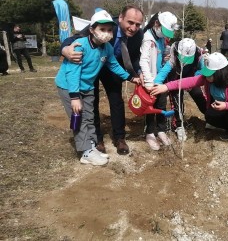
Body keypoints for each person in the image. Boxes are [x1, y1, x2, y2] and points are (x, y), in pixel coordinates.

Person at [55, 10, 137, 166]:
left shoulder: (107, 48)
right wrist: (74, 97)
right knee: (79, 118)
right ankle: (85, 152)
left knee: (90, 117)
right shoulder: (80, 46)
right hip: (69, 86)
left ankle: (92, 146)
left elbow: (114, 65)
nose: (106, 33)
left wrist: (131, 78)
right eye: (102, 29)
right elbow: (73, 72)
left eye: (109, 30)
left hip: (87, 86)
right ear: (92, 29)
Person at [150, 52, 228, 149]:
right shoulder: (208, 78)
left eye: (209, 74)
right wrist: (166, 87)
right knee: (210, 116)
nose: (206, 77)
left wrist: (226, 105)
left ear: (220, 73)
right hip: (225, 106)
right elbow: (188, 81)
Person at [140, 11, 178, 150]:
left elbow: (160, 54)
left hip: (160, 79)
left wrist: (165, 57)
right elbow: (143, 61)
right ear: (157, 24)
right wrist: (149, 83)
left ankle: (161, 130)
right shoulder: (148, 39)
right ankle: (150, 133)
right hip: (150, 79)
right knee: (150, 108)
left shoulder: (160, 38)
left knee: (161, 105)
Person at [154, 38, 206, 139]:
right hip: (176, 77)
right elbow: (165, 70)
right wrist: (156, 83)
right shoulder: (174, 54)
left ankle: (210, 118)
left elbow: (204, 70)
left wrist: (196, 76)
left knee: (199, 96)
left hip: (192, 78)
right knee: (177, 99)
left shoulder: (199, 56)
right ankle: (179, 125)